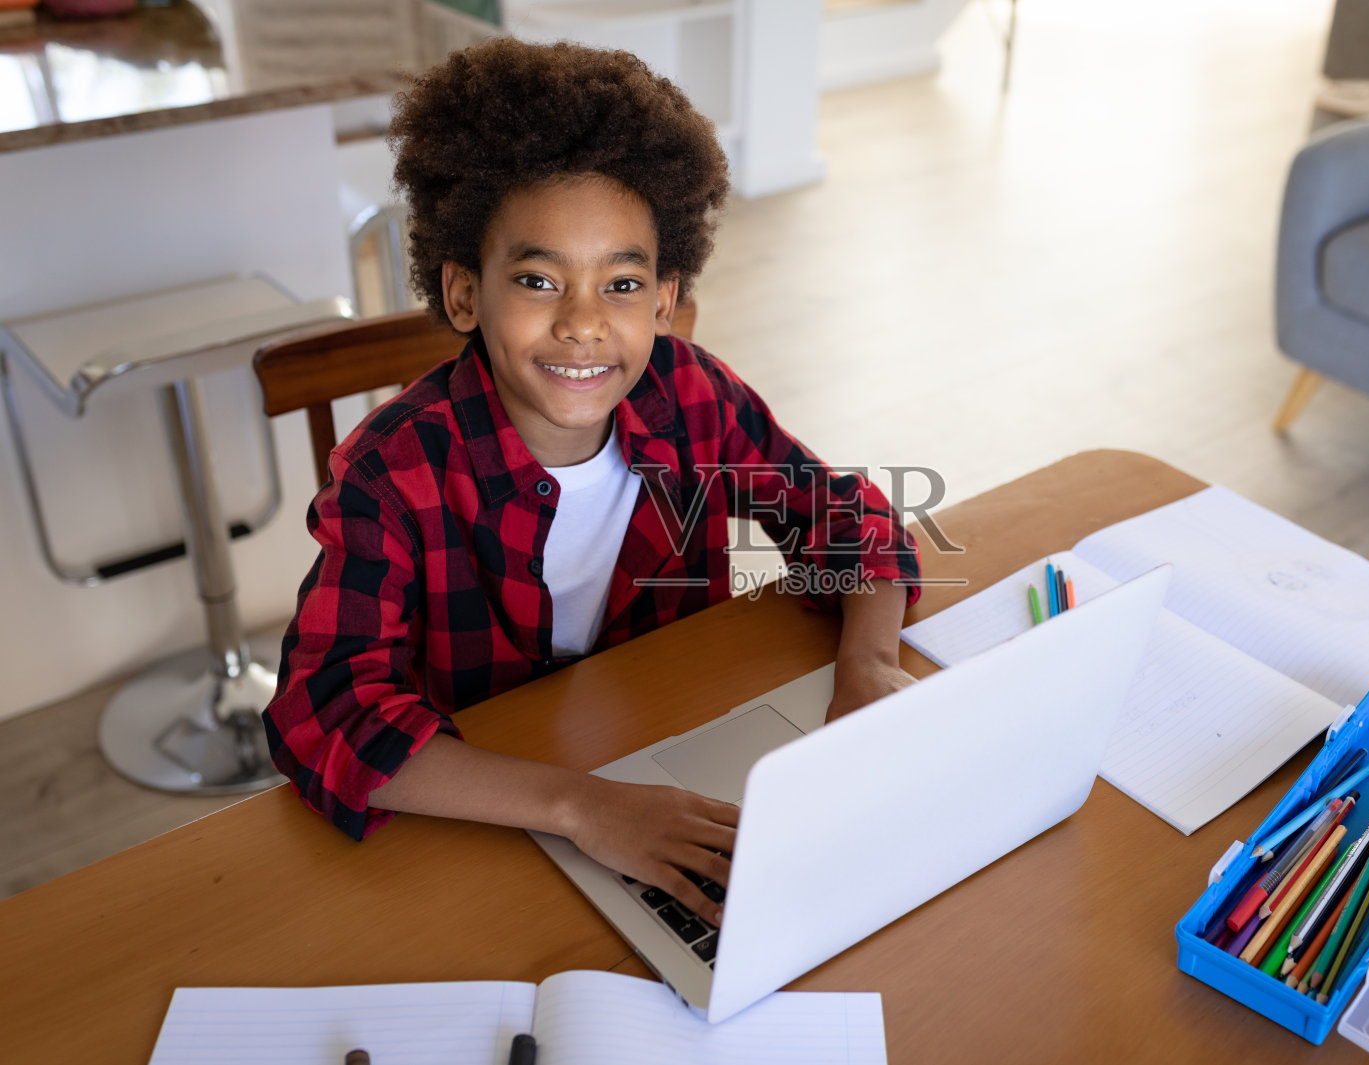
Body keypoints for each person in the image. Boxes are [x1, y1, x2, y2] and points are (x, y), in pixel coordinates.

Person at [263, 39, 922, 927]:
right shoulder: (393, 471)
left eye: (620, 283)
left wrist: (867, 662)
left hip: (681, 764)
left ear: (663, 299)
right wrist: (583, 805)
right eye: (538, 279)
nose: (582, 323)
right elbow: (329, 710)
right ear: (464, 294)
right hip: (490, 827)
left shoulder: (694, 395)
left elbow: (850, 521)